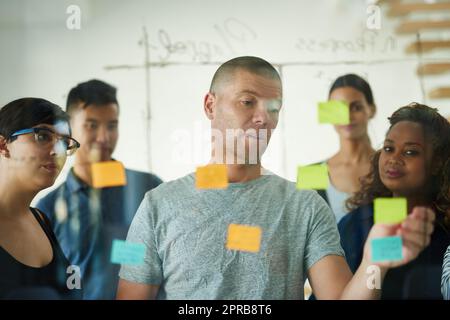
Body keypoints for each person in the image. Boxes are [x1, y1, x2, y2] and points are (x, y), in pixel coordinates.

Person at [116, 56, 434, 300]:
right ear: (210, 105)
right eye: (247, 102)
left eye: (274, 108)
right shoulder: (158, 205)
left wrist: (374, 262)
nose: (263, 118)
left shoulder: (305, 205)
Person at [36, 80, 163, 300]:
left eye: (112, 126)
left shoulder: (149, 189)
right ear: (68, 129)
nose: (104, 137)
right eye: (92, 125)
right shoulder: (47, 209)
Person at [339, 103, 450, 299]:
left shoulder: (445, 230)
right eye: (389, 148)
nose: (393, 159)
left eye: (410, 152)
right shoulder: (355, 224)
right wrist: (375, 264)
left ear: (437, 162)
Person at [0, 98, 82, 299]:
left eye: (64, 142)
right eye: (42, 136)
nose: (57, 151)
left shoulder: (42, 220)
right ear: (3, 145)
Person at [317, 74, 376, 223]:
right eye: (338, 109)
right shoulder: (311, 173)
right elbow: (305, 236)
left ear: (371, 110)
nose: (347, 116)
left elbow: (392, 238)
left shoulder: (389, 170)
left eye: (356, 107)